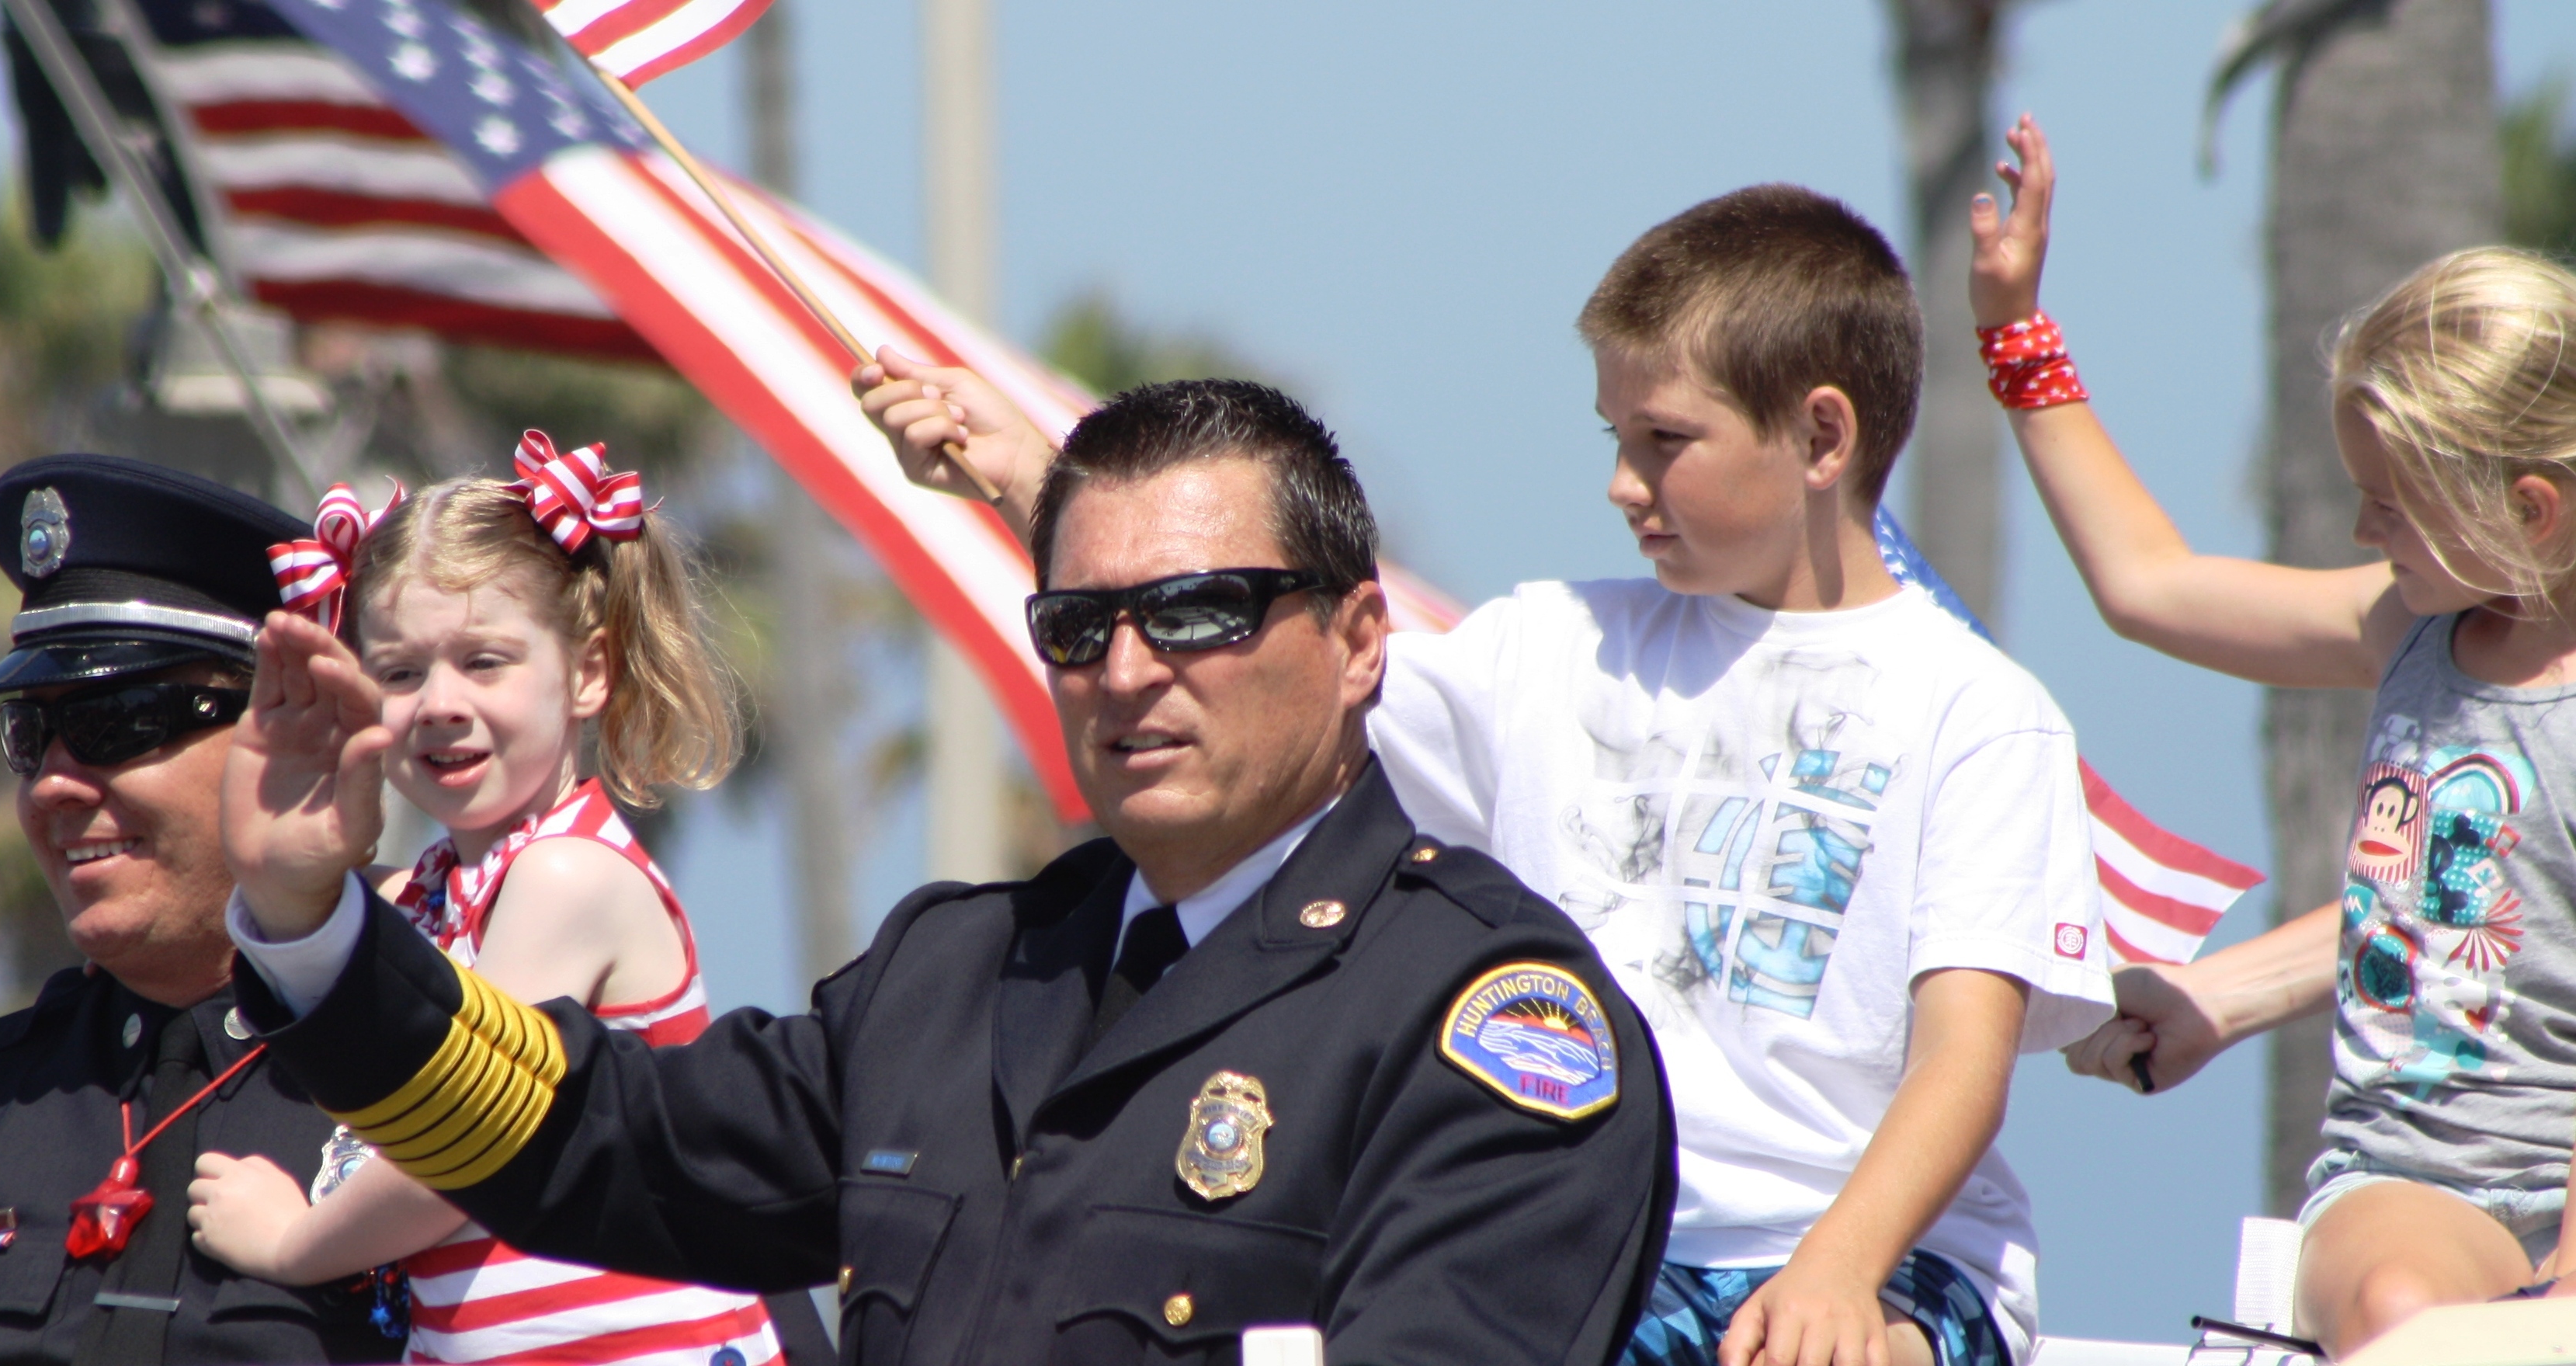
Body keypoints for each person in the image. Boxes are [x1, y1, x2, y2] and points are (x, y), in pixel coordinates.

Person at [857, 186, 2116, 1366]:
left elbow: (1961, 1060)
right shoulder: (1545, 646)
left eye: (1663, 441)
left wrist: (1839, 1270)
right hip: (1576, 1224)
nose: (1620, 482)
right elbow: (1274, 671)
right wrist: (1032, 477)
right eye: (1615, 436)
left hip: (1888, 1260)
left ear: (1820, 435)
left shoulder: (1979, 713)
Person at [214, 381, 1678, 1364]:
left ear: (1358, 641)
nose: (1125, 669)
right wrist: (312, 920)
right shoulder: (955, 972)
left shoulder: (1482, 1019)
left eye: (1198, 612)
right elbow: (603, 1136)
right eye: (1077, 624)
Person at [1972, 116, 2576, 1354]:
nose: (2361, 533)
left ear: (2529, 510)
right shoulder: (2406, 626)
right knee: (2404, 1315)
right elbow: (2150, 584)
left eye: (2390, 503)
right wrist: (2017, 337)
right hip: (2419, 1178)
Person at [179, 437, 783, 1365]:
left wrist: (292, 1243)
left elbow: (465, 1141)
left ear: (588, 671)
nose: (439, 703)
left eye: (484, 661)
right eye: (399, 672)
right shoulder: (427, 896)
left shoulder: (565, 877)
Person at [0, 454, 399, 1365]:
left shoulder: (449, 1082)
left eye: (117, 720)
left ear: (297, 731)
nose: (53, 782)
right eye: (30, 733)